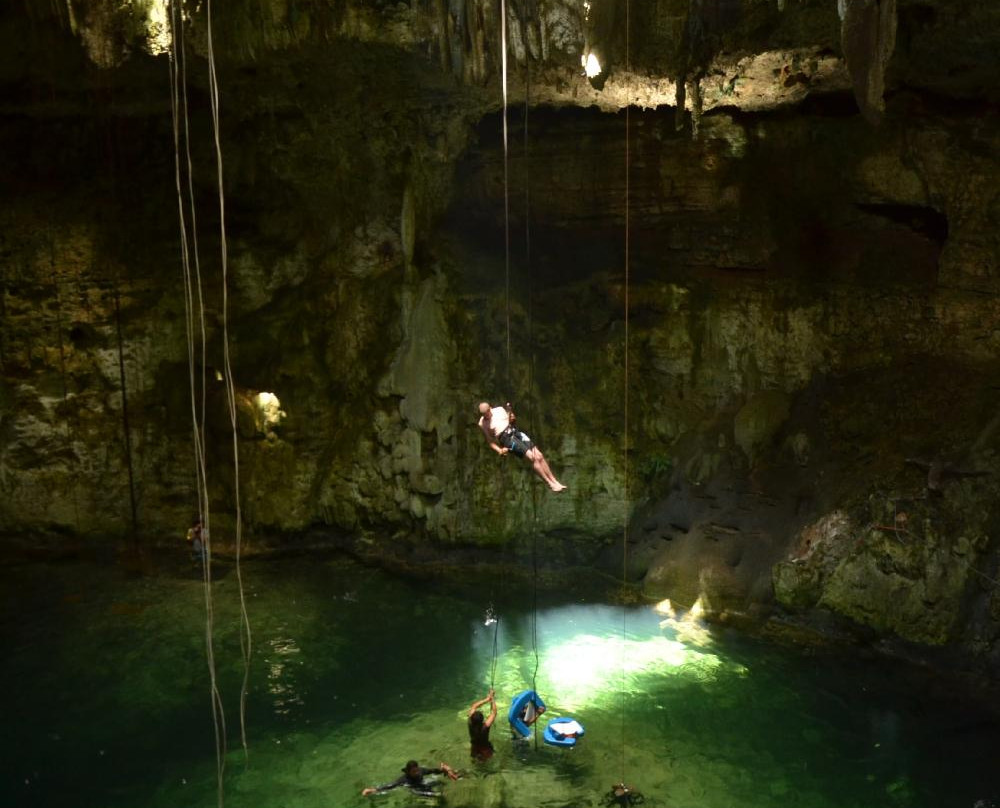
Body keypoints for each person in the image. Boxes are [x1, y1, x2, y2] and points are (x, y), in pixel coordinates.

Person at [477, 402, 567, 492]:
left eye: (487, 413)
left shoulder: (499, 410)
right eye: (483, 415)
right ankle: (550, 484)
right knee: (533, 458)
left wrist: (511, 415)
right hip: (507, 440)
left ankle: (555, 481)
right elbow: (490, 441)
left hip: (515, 432)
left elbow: (511, 420)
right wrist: (499, 450)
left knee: (539, 455)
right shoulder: (482, 423)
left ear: (490, 409)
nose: (486, 416)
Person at [361, 759, 458, 797]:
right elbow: (390, 786)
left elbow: (432, 771)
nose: (416, 773)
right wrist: (372, 790)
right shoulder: (404, 779)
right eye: (413, 771)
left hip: (422, 784)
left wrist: (443, 770)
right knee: (435, 795)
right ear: (408, 771)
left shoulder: (420, 771)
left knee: (440, 783)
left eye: (417, 770)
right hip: (415, 789)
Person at [468, 688, 497, 760]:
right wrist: (492, 698)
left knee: (475, 762)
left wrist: (487, 699)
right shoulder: (485, 726)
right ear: (482, 721)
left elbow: (474, 706)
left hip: (474, 748)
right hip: (485, 750)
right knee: (485, 767)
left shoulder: (470, 722)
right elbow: (494, 712)